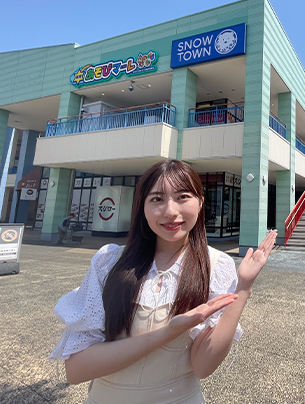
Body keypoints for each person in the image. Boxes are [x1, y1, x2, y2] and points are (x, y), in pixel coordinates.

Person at [50, 160, 277, 403]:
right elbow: (76, 370)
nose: (170, 211)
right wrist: (168, 332)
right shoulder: (109, 261)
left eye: (182, 197)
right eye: (157, 199)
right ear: (142, 207)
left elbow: (204, 366)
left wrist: (243, 287)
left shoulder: (215, 266)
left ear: (200, 203)